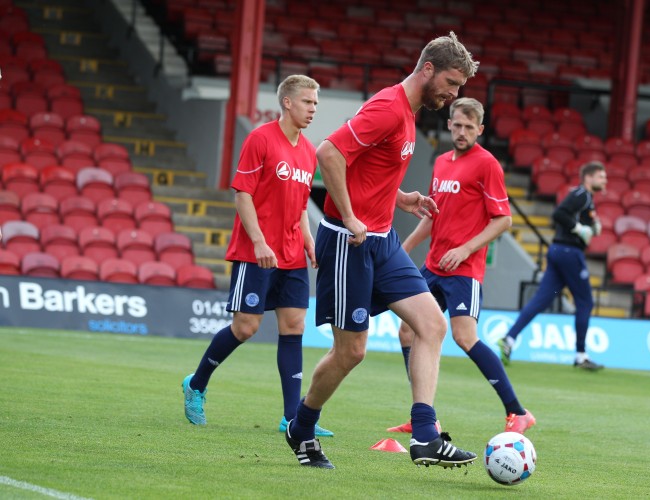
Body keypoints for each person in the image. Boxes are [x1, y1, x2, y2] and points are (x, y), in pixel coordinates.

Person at [284, 32, 479, 470]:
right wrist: (351, 215)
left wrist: (402, 198)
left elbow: (368, 172)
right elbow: (329, 152)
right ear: (427, 69)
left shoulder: (409, 115)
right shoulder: (390, 108)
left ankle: (426, 437)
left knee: (431, 325)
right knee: (351, 352)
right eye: (450, 83)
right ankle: (302, 425)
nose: (453, 95)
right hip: (348, 242)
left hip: (383, 240)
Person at [181, 75, 333, 437]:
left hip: (293, 253)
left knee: (294, 326)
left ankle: (292, 417)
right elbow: (242, 194)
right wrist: (260, 241)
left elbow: (298, 205)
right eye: (308, 102)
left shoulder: (308, 151)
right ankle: (196, 384)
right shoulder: (260, 139)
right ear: (287, 103)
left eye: (315, 103)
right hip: (257, 252)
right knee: (245, 328)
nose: (313, 109)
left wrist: (309, 240)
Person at [386, 97, 535, 436]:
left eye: (470, 126)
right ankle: (425, 416)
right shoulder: (441, 163)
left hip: (464, 269)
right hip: (433, 265)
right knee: (407, 330)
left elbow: (504, 220)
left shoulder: (487, 165)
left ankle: (517, 411)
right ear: (449, 124)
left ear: (480, 129)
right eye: (458, 124)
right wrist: (404, 248)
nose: (463, 131)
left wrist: (466, 248)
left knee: (464, 337)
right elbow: (432, 216)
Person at [498, 161, 608, 371]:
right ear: (589, 177)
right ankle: (580, 355)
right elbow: (559, 214)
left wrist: (591, 226)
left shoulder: (586, 199)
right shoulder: (582, 195)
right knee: (585, 302)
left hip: (558, 252)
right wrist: (578, 228)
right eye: (601, 176)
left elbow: (572, 216)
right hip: (569, 253)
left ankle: (509, 339)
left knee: (541, 300)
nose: (605, 181)